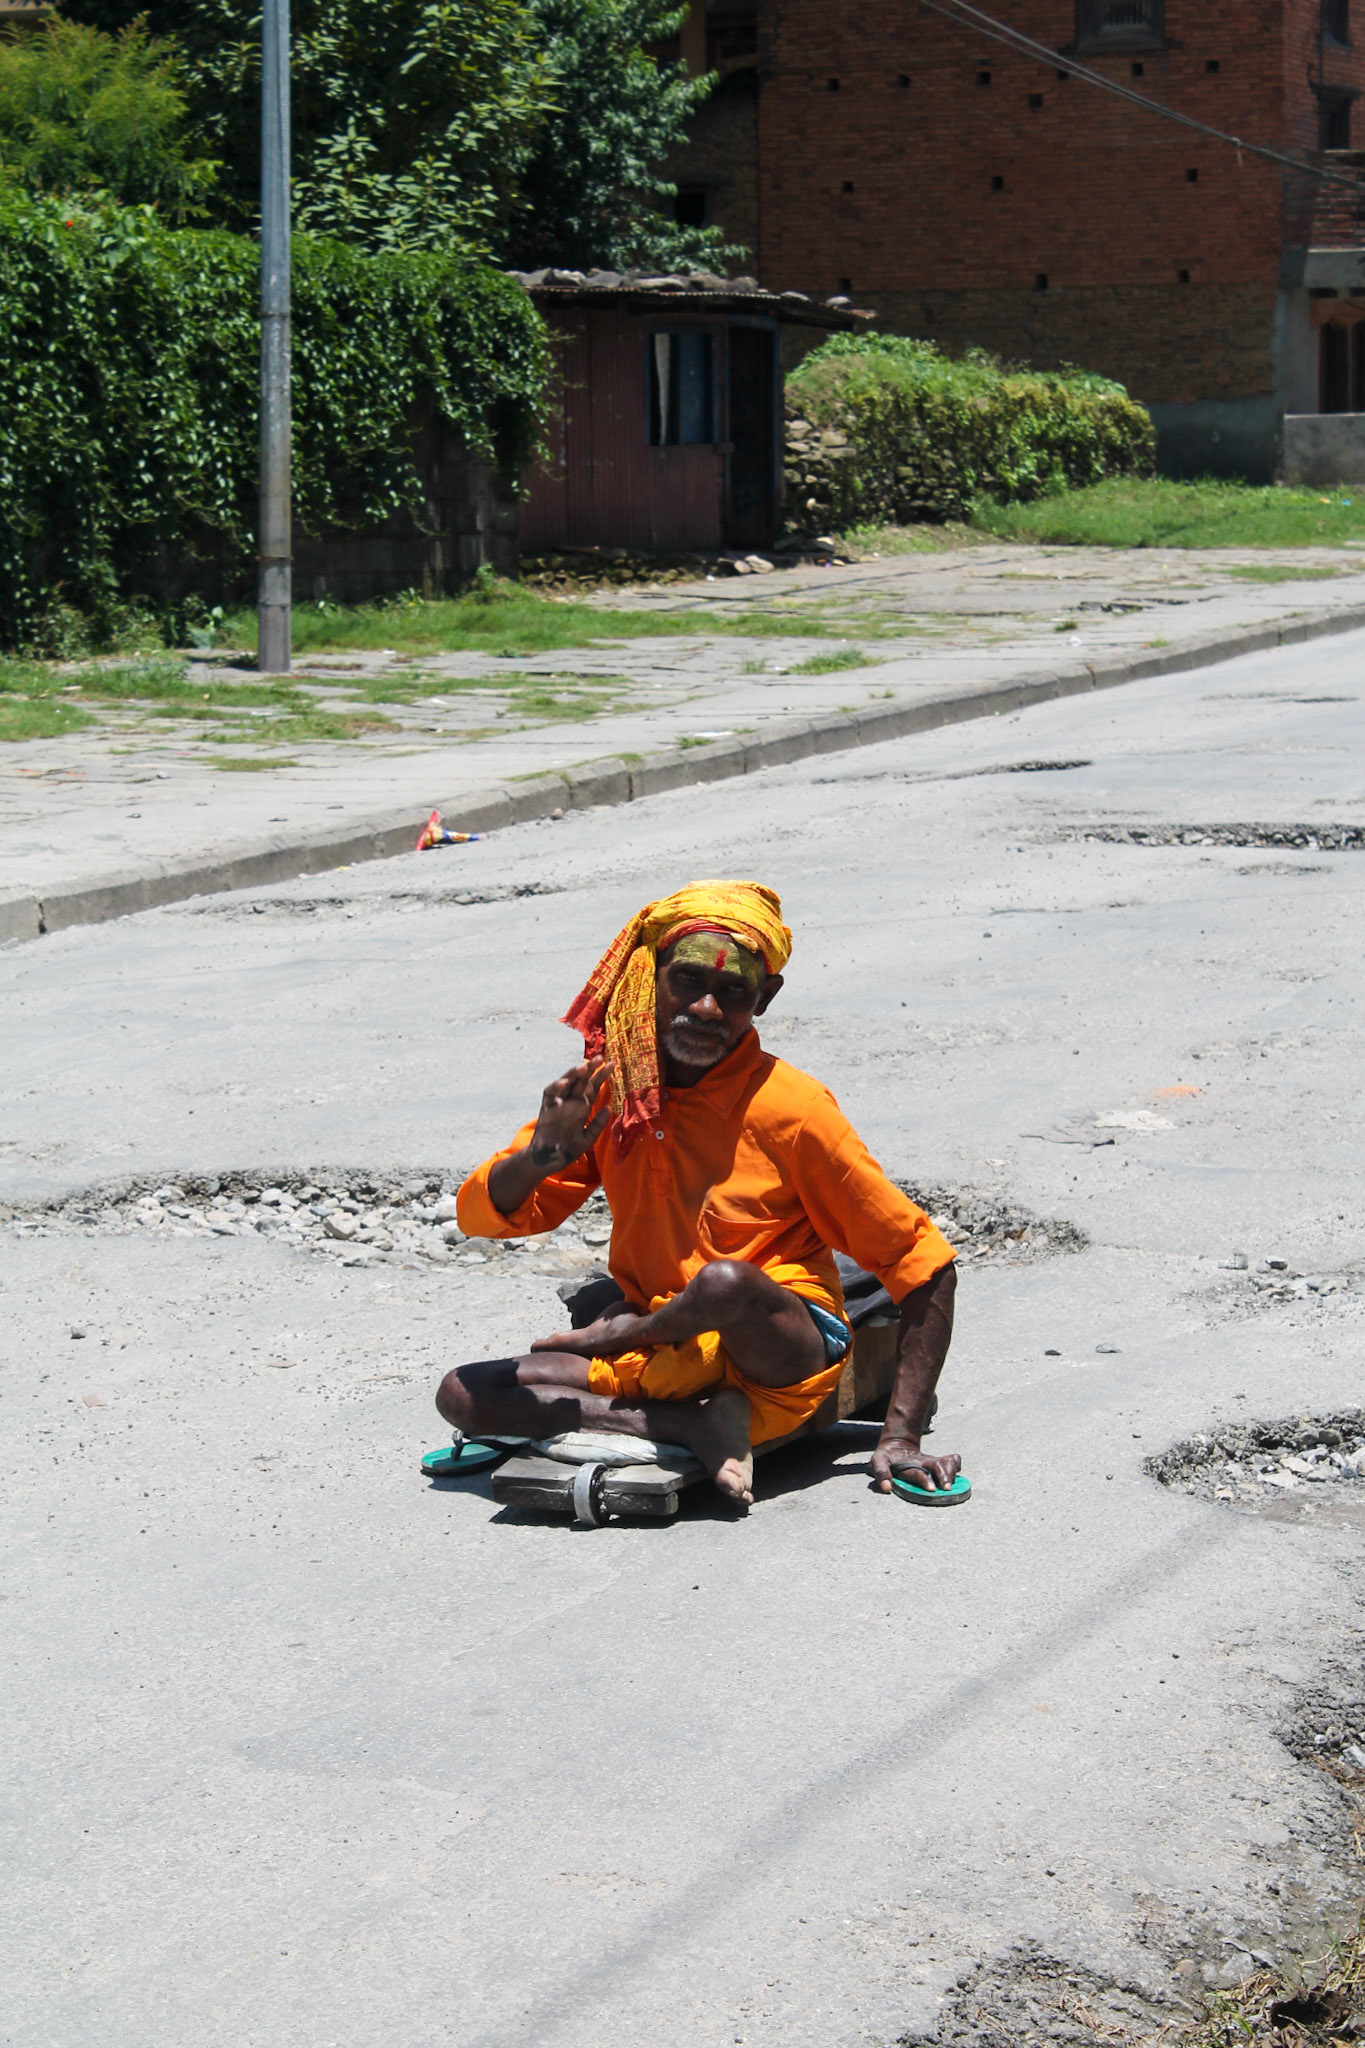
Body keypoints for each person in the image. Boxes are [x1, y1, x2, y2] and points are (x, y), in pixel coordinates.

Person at [437, 881, 959, 1509]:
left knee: (723, 1285)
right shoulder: (614, 1088)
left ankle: (634, 1357)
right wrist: (542, 1157)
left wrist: (899, 1436)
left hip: (772, 1350)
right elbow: (486, 1217)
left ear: (764, 998)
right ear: (648, 978)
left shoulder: (794, 1109)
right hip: (659, 1350)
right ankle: (688, 1425)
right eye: (688, 981)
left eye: (734, 990)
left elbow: (923, 1262)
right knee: (462, 1394)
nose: (708, 1007)